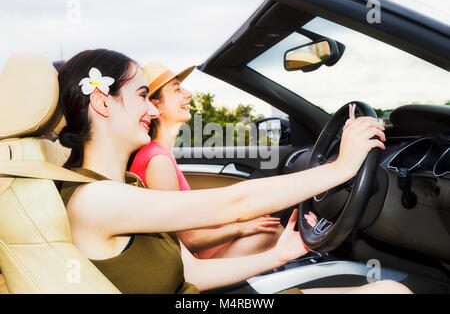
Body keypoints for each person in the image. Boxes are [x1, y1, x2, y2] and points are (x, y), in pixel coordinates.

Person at [57, 49, 411, 294]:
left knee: (390, 289)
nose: (152, 108)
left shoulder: (128, 184)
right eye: (143, 95)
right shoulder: (93, 200)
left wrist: (279, 255)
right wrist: (341, 167)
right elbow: (237, 202)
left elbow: (190, 272)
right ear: (103, 102)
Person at [129, 62, 292, 259]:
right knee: (272, 233)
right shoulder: (157, 160)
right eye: (177, 89)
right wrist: (238, 229)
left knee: (264, 225)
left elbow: (186, 220)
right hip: (190, 263)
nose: (188, 94)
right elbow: (187, 241)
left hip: (194, 250)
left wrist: (237, 223)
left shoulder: (160, 154)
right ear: (156, 105)